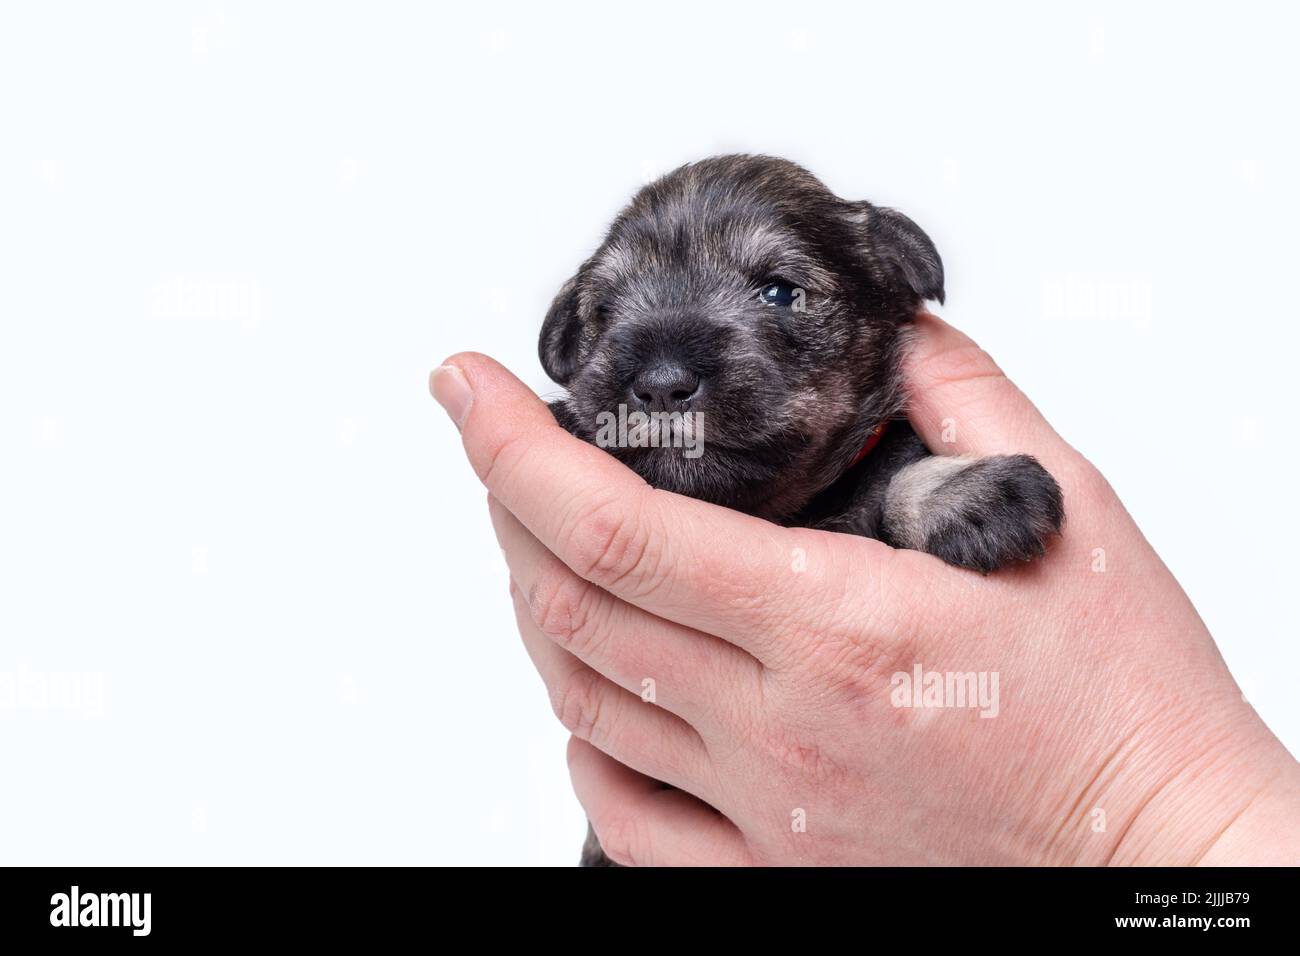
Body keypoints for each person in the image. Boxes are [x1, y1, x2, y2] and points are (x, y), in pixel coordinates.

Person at [429, 312, 1300, 866]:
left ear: (885, 301)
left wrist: (1121, 822)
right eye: (612, 313)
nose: (663, 378)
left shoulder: (896, 462)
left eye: (778, 293)